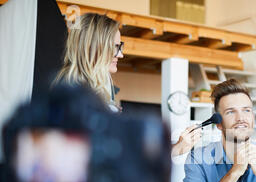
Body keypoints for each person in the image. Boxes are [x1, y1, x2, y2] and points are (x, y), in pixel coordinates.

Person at [53, 13, 201, 156]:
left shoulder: (77, 89)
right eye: (115, 47)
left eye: (120, 46)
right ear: (94, 47)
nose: (120, 55)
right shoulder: (78, 97)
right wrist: (177, 149)